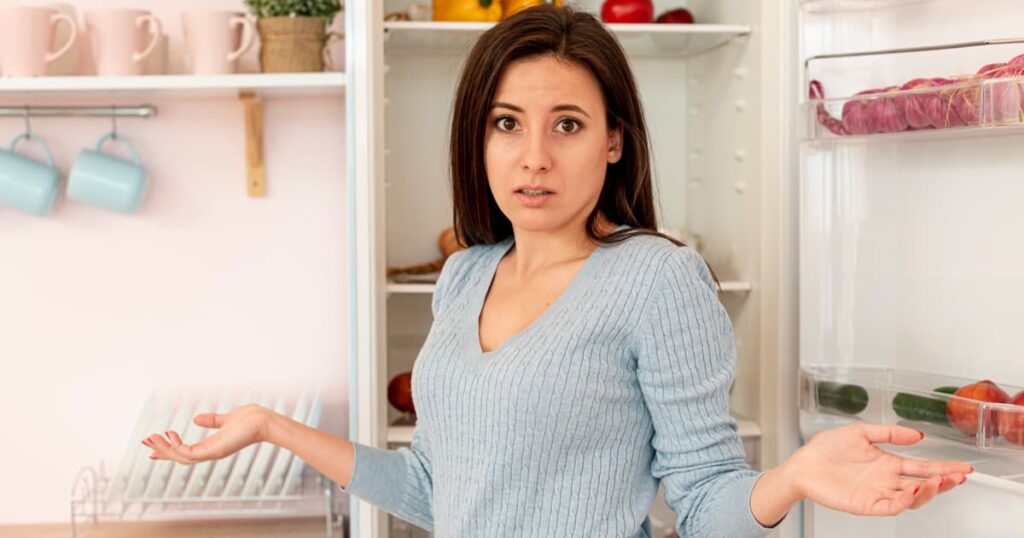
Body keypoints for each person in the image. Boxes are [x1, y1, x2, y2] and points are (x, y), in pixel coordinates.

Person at [141, 6, 972, 537]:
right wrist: (271, 427)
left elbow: (706, 495)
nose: (533, 158)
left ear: (613, 141)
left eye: (567, 125)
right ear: (480, 137)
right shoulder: (466, 275)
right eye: (508, 124)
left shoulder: (657, 279)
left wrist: (788, 479)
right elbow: (437, 490)